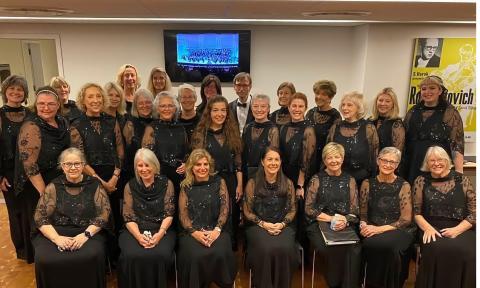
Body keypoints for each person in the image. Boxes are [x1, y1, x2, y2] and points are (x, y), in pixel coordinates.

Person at [32, 147, 111, 288]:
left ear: (83, 165)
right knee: (44, 258)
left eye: (77, 163)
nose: (73, 167)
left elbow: (104, 214)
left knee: (91, 255)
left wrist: (85, 235)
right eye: (68, 164)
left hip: (88, 231)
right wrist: (57, 239)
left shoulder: (95, 185)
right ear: (62, 166)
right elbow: (40, 216)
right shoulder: (53, 186)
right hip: (57, 231)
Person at [14, 86, 71, 263]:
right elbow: (29, 164)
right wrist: (44, 192)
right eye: (41, 104)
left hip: (57, 178)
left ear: (58, 105)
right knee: (42, 220)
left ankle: (62, 256)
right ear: (35, 105)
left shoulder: (62, 121)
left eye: (50, 104)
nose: (45, 108)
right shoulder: (31, 126)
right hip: (37, 183)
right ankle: (45, 262)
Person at [413, 146, 475, 288]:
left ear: (447, 161)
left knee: (468, 252)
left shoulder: (462, 180)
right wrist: (427, 228)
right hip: (432, 227)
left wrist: (457, 230)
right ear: (427, 163)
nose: (436, 163)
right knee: (436, 250)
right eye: (432, 160)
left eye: (440, 159)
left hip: (462, 227)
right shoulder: (420, 181)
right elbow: (416, 213)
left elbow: (475, 212)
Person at [70, 83, 124, 238]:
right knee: (96, 218)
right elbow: (80, 159)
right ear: (83, 100)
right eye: (90, 96)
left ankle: (115, 256)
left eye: (98, 96)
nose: (95, 100)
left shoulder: (112, 121)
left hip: (113, 177)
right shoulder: (76, 124)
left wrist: (114, 178)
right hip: (90, 178)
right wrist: (100, 182)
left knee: (114, 215)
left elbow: (120, 152)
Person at [177, 149, 237, 288]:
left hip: (217, 228)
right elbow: (183, 214)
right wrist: (195, 233)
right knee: (194, 255)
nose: (202, 168)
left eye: (206, 164)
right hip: (191, 231)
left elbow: (225, 207)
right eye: (198, 164)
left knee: (221, 252)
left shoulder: (219, 181)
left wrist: (217, 230)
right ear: (191, 167)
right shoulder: (186, 186)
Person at [305, 142, 361, 288]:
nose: (334, 161)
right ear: (324, 161)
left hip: (344, 223)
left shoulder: (350, 180)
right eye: (330, 157)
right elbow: (309, 210)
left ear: (342, 159)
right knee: (331, 247)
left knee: (353, 248)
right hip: (319, 223)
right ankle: (334, 284)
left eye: (337, 157)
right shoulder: (316, 179)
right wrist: (331, 219)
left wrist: (345, 220)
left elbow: (355, 211)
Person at [118, 148, 176, 288]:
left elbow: (169, 214)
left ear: (154, 165)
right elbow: (128, 216)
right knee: (132, 255)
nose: (143, 169)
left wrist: (159, 235)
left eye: (147, 165)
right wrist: (139, 236)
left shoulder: (167, 184)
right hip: (134, 230)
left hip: (161, 229)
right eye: (140, 165)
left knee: (160, 255)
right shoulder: (129, 186)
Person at [191, 96, 243, 250]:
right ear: (209, 113)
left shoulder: (233, 133)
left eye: (223, 110)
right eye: (215, 110)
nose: (219, 114)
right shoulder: (201, 134)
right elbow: (196, 161)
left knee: (230, 214)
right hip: (209, 181)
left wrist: (239, 184)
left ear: (227, 113)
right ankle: (210, 243)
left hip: (230, 179)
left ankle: (228, 246)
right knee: (212, 213)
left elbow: (238, 163)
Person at [359, 147, 414, 288]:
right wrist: (363, 225)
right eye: (384, 160)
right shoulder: (367, 183)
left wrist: (379, 230)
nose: (388, 165)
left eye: (393, 162)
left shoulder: (404, 185)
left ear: (397, 165)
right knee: (368, 245)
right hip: (372, 226)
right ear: (378, 161)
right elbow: (363, 213)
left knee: (391, 248)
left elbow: (406, 220)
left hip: (398, 229)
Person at [243, 147, 298, 288]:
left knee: (285, 248)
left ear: (280, 162)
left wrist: (282, 224)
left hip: (283, 225)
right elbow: (247, 212)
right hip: (257, 225)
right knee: (266, 248)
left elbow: (292, 210)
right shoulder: (252, 183)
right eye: (269, 159)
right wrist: (263, 224)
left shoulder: (289, 183)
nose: (273, 163)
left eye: (276, 159)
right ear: (262, 162)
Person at [403, 75, 464, 184]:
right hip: (412, 163)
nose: (427, 92)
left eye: (432, 88)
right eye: (424, 88)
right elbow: (404, 139)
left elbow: (457, 144)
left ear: (440, 90)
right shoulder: (413, 111)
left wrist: (459, 172)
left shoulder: (450, 112)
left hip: (437, 165)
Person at [0, 75, 31, 260]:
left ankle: (33, 248)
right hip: (9, 172)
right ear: (5, 92)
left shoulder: (30, 114)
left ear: (25, 93)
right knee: (15, 212)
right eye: (12, 89)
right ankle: (21, 250)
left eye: (20, 89)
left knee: (31, 209)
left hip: (29, 170)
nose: (16, 92)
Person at [327, 91, 379, 187]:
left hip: (361, 181)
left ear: (358, 108)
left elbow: (374, 156)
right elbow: (327, 154)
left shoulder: (369, 128)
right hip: (336, 180)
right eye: (343, 105)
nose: (344, 108)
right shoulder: (336, 126)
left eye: (349, 105)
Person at [142, 91, 188, 194]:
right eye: (163, 106)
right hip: (159, 177)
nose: (166, 109)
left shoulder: (181, 127)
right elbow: (146, 157)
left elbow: (186, 152)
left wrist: (186, 165)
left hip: (179, 178)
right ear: (157, 109)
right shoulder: (151, 128)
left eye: (170, 106)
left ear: (175, 108)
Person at [306, 80, 341, 174]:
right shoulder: (310, 113)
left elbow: (333, 145)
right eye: (317, 93)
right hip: (307, 161)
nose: (319, 97)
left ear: (331, 97)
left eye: (324, 94)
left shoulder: (335, 116)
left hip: (324, 163)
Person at [242, 93, 279, 180]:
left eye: (263, 106)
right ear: (251, 108)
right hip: (246, 174)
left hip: (264, 175)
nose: (259, 110)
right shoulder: (247, 127)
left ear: (268, 108)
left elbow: (272, 158)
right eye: (255, 106)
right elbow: (243, 153)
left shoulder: (273, 130)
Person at [123, 89, 155, 184]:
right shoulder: (130, 124)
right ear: (135, 106)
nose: (144, 106)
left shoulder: (158, 122)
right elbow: (127, 153)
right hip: (135, 173)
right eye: (140, 103)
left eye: (148, 102)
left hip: (155, 172)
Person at [369, 87, 405, 152]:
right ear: (376, 102)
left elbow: (397, 152)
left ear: (393, 104)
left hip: (386, 161)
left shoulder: (396, 124)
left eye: (387, 101)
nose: (383, 104)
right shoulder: (369, 121)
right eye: (380, 100)